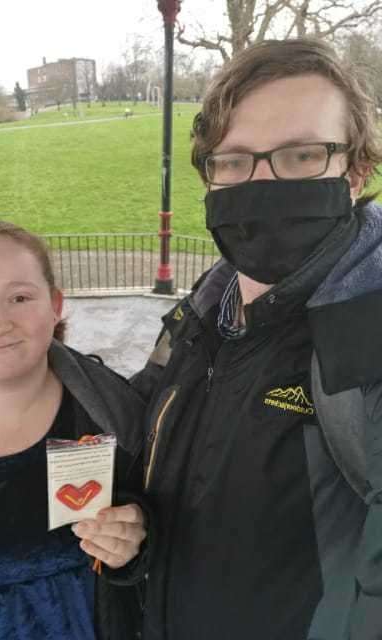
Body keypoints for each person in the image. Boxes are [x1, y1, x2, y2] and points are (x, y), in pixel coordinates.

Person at [133, 38, 382, 640]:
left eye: (300, 155)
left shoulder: (367, 340)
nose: (262, 181)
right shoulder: (207, 301)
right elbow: (145, 417)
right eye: (236, 159)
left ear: (355, 171)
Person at [0, 222, 147, 640]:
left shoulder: (117, 416)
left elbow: (168, 527)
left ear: (55, 305)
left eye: (19, 297)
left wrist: (137, 536)